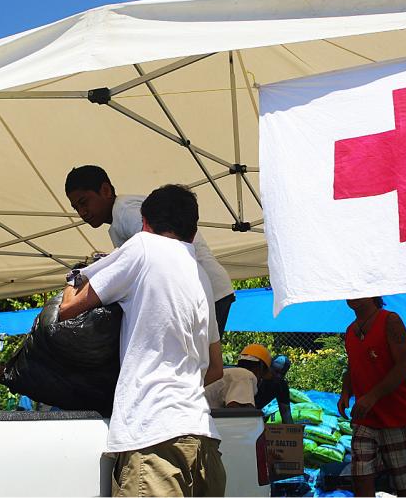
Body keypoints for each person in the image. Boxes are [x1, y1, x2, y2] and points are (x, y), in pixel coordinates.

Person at [59, 184, 226, 497]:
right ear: (193, 233)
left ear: (145, 223)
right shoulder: (202, 277)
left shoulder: (142, 247)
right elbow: (215, 369)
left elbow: (69, 308)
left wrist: (73, 276)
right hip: (203, 439)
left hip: (153, 437)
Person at [64, 165, 235, 337]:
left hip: (207, 291)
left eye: (84, 202)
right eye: (76, 208)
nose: (82, 212)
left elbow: (156, 250)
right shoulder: (122, 214)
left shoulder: (126, 212)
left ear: (106, 190)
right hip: (205, 289)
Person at [338, 297, 406, 497]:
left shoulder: (390, 321)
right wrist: (345, 392)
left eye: (357, 290)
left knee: (404, 484)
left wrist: (372, 396)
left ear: (372, 293)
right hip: (366, 418)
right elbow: (353, 366)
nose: (351, 295)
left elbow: (404, 367)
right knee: (361, 477)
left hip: (398, 416)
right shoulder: (350, 331)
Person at [255, 353, 294, 424]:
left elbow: (285, 411)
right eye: (276, 371)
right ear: (269, 367)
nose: (278, 376)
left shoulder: (281, 385)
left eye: (282, 373)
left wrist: (291, 431)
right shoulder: (256, 378)